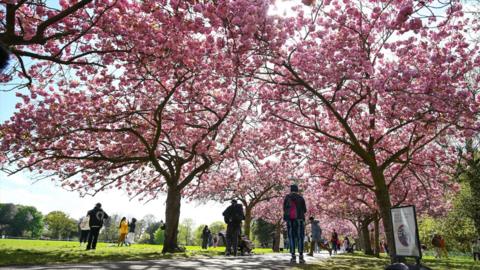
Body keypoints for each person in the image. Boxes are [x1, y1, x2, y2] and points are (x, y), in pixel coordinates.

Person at [283, 184, 307, 264]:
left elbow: (284, 208)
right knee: (300, 237)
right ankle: (301, 257)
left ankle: (293, 256)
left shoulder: (287, 197)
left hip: (290, 220)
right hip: (299, 219)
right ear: (297, 190)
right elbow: (304, 210)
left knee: (291, 237)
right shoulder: (300, 198)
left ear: (291, 190)